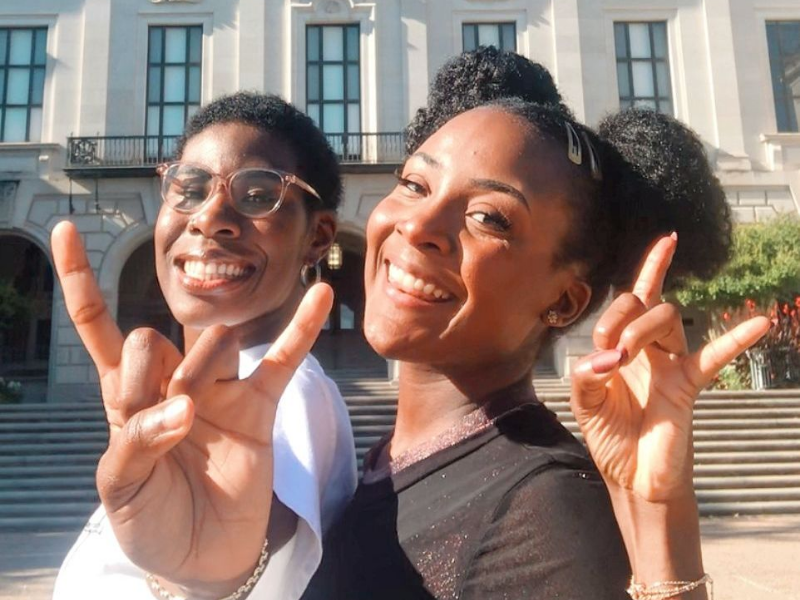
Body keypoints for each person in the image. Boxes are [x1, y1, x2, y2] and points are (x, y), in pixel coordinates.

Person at [51, 92, 357, 600]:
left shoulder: (283, 397)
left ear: (318, 237)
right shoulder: (202, 403)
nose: (208, 217)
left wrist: (205, 580)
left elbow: (243, 540)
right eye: (189, 188)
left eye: (258, 194)